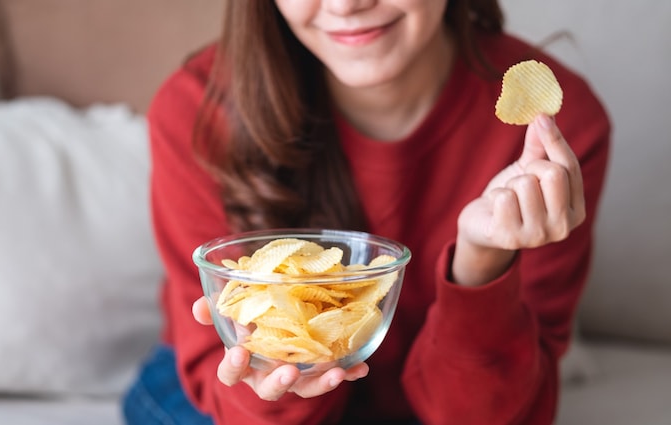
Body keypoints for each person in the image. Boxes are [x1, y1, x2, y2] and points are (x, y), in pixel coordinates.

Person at [122, 0, 610, 424]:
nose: (347, 5)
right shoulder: (196, 110)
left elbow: (487, 416)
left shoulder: (551, 140)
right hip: (238, 404)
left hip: (444, 395)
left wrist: (481, 264)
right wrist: (280, 377)